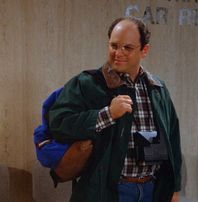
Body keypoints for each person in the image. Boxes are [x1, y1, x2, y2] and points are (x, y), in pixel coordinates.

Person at [49, 16, 182, 202]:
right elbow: (59, 122)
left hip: (152, 190)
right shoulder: (87, 83)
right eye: (113, 45)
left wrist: (174, 190)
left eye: (127, 48)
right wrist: (108, 114)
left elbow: (172, 138)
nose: (118, 53)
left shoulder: (157, 88)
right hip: (107, 192)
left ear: (144, 50)